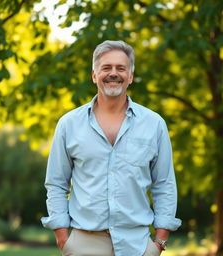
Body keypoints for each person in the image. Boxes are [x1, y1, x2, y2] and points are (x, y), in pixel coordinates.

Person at [41, 40, 181, 256]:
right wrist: (63, 239)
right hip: (84, 244)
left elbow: (164, 184)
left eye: (121, 68)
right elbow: (57, 183)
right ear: (94, 75)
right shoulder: (69, 124)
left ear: (131, 76)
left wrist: (159, 242)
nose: (113, 73)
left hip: (138, 245)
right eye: (106, 67)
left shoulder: (154, 124)